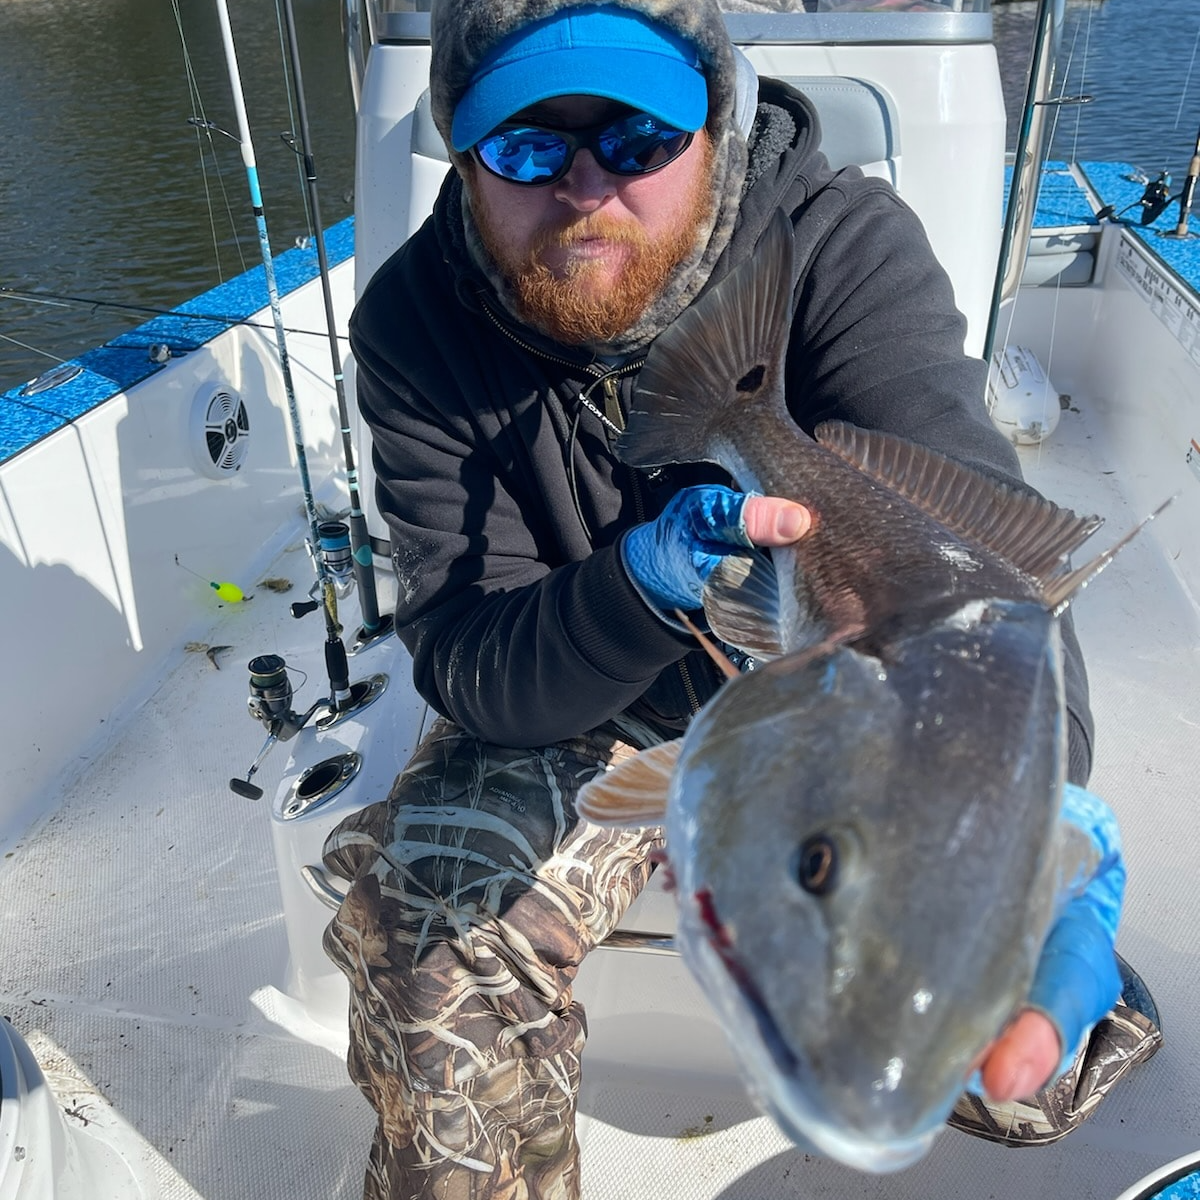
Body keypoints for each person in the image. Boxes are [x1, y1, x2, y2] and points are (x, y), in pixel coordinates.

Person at [321, 2, 1160, 1197]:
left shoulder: (837, 240)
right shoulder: (417, 319)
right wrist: (631, 590)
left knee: (1011, 1054)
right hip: (591, 693)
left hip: (850, 686)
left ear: (712, 126)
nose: (585, 186)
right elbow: (468, 656)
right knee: (426, 936)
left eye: (637, 139)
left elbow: (979, 544)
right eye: (526, 148)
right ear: (464, 154)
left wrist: (1030, 800)